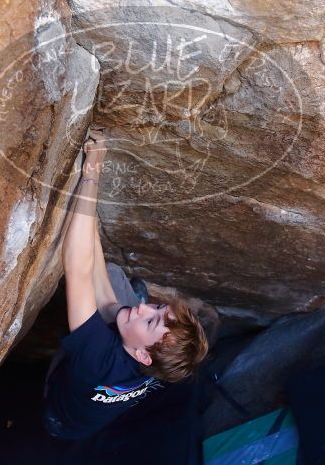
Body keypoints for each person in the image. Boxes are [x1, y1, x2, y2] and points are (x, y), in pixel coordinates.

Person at [42, 131, 209, 441]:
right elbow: (98, 279)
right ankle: (118, 325)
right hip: (118, 365)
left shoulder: (99, 362)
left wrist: (92, 171)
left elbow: (78, 269)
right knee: (111, 278)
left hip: (61, 418)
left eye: (151, 319)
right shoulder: (162, 364)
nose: (143, 306)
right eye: (157, 308)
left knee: (100, 291)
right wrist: (86, 197)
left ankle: (82, 337)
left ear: (144, 356)